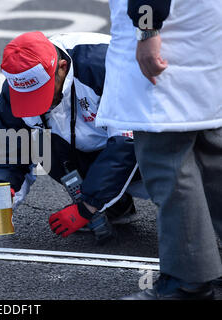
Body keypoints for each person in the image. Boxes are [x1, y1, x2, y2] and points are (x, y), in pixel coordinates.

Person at [96, 0, 222, 299]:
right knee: (211, 155)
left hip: (169, 33)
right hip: (204, 28)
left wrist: (146, 28)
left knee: (168, 161)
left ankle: (186, 281)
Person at [0, 31, 148, 244]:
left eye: (41, 94)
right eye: (28, 99)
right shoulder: (17, 86)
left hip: (152, 138)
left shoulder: (105, 67)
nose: (38, 106)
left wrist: (87, 207)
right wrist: (4, 188)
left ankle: (186, 209)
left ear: (61, 67)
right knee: (42, 143)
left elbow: (129, 142)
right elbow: (11, 150)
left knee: (177, 206)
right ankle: (116, 205)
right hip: (95, 143)